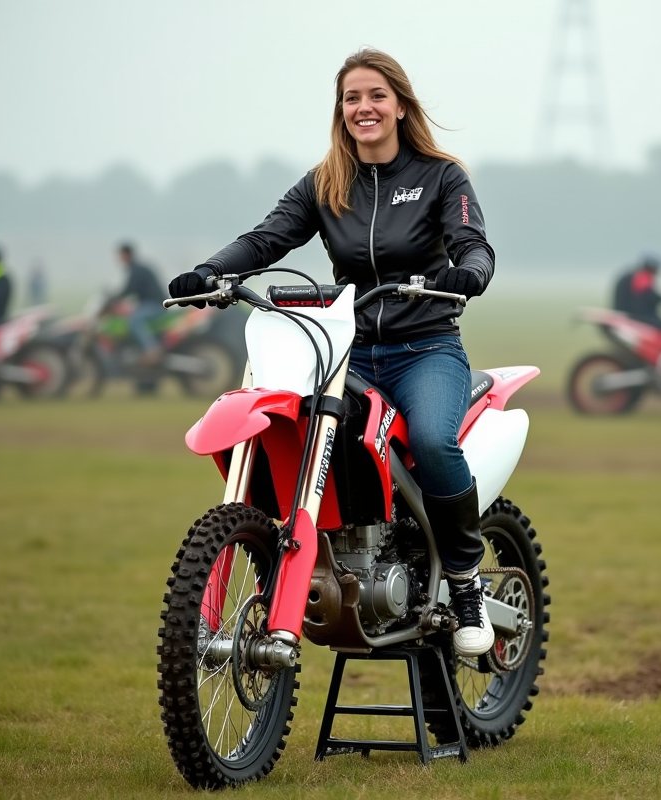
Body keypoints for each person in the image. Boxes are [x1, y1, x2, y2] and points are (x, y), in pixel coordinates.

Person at [167, 49, 496, 657]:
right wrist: (210, 271)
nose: (363, 108)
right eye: (351, 98)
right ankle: (286, 565)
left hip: (426, 348)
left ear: (400, 104)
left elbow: (472, 243)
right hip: (350, 351)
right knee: (296, 422)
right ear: (340, 111)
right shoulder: (327, 182)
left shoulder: (441, 176)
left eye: (375, 95)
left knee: (431, 442)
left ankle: (465, 579)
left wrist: (470, 270)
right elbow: (267, 238)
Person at [109, 242, 166, 365]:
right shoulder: (137, 268)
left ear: (126, 255)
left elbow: (129, 289)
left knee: (134, 320)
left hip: (154, 305)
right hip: (150, 303)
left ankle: (152, 349)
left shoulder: (136, 270)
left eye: (121, 255)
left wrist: (113, 298)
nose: (120, 259)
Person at [611, 252, 661, 333]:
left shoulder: (632, 275)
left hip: (630, 316)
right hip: (641, 318)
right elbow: (647, 296)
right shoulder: (642, 277)